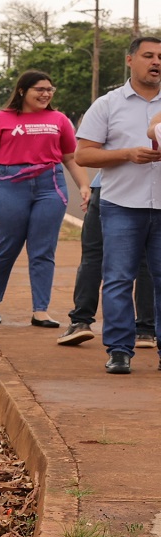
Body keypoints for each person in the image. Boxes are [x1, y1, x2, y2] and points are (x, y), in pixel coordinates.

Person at [0, 70, 89, 328]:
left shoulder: (59, 120)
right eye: (40, 89)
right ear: (22, 91)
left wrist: (84, 185)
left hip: (50, 187)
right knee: (7, 247)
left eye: (50, 89)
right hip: (8, 185)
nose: (46, 93)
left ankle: (41, 311)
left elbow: (71, 157)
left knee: (43, 250)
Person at [75, 36, 161, 374]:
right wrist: (127, 154)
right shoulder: (108, 104)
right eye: (148, 55)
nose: (156, 62)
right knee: (118, 278)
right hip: (122, 204)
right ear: (130, 60)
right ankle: (120, 349)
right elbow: (83, 154)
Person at [57, 170, 156, 348]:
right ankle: (145, 330)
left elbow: (90, 154)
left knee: (94, 256)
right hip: (151, 194)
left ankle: (81, 320)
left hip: (111, 189)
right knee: (145, 260)